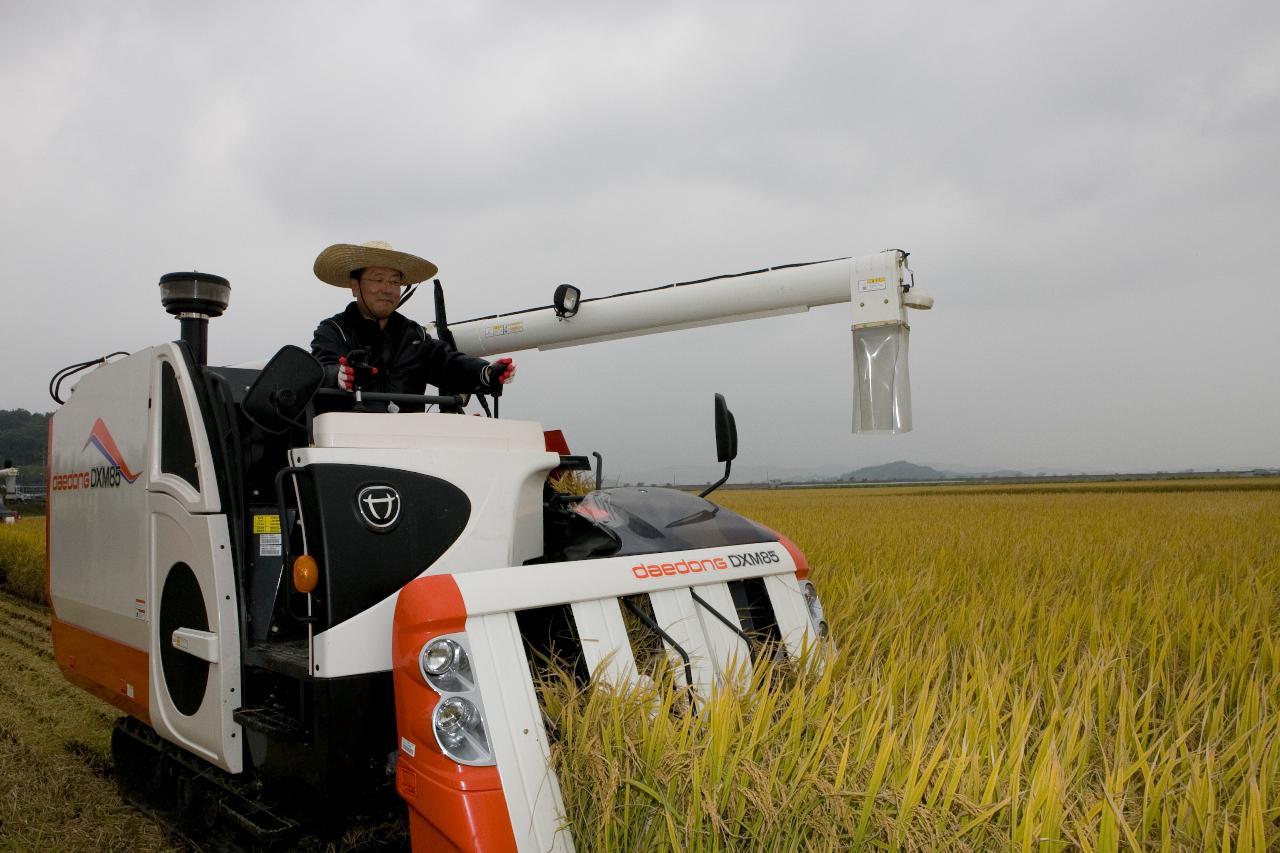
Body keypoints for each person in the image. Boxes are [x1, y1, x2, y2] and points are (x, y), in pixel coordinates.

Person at [310, 240, 515, 411]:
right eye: (378, 279)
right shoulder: (333, 331)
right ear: (355, 287)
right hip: (346, 446)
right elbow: (319, 372)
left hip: (408, 449)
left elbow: (447, 364)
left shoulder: (414, 336)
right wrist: (341, 374)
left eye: (394, 281)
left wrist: (487, 372)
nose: (387, 289)